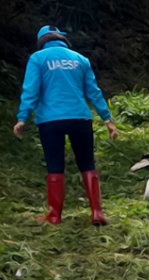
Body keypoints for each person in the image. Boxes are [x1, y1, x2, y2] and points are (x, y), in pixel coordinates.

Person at [13, 25, 117, 226]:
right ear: (62, 38)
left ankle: (54, 215)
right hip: (80, 118)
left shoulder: (37, 59)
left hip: (50, 121)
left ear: (41, 41)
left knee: (55, 165)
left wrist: (22, 118)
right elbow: (93, 92)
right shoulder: (80, 59)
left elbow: (31, 91)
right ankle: (96, 212)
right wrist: (108, 120)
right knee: (87, 164)